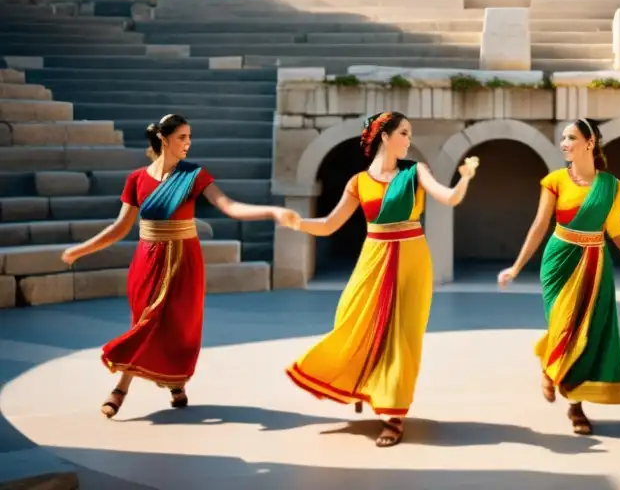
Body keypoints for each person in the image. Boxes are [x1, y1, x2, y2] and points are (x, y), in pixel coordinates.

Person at [60, 114, 300, 418]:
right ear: (164, 139)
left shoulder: (194, 175)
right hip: (147, 260)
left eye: (189, 137)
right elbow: (120, 228)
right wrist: (81, 249)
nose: (188, 143)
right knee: (144, 323)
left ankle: (175, 383)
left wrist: (272, 211)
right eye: (182, 137)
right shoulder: (137, 178)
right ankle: (122, 387)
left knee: (179, 326)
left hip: (185, 260)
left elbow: (230, 206)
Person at [286, 112, 478, 448]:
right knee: (353, 320)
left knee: (401, 336)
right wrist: (297, 222)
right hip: (373, 257)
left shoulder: (415, 172)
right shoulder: (358, 182)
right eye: (404, 133)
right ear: (384, 136)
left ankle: (393, 414)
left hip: (411, 258)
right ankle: (361, 383)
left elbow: (448, 198)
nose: (408, 139)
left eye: (410, 133)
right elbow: (330, 224)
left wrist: (464, 178)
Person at [498, 118, 620, 436]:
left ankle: (576, 405)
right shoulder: (554, 180)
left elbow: (615, 229)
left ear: (589, 143)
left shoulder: (609, 185)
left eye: (570, 138)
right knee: (563, 325)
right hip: (559, 260)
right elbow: (539, 225)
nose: (564, 143)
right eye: (563, 138)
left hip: (596, 262)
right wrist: (516, 266)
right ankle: (549, 364)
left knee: (589, 334)